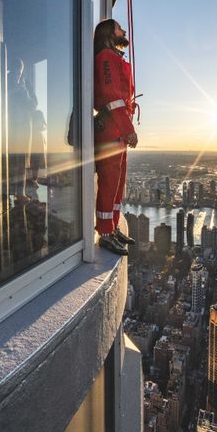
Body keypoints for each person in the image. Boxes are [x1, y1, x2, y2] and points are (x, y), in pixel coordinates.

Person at [93, 19, 137, 255]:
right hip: (112, 126)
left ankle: (113, 226)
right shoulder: (105, 58)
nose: (123, 30)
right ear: (110, 32)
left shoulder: (114, 57)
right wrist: (128, 128)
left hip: (117, 126)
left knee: (118, 181)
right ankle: (105, 232)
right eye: (119, 28)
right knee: (109, 181)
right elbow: (112, 97)